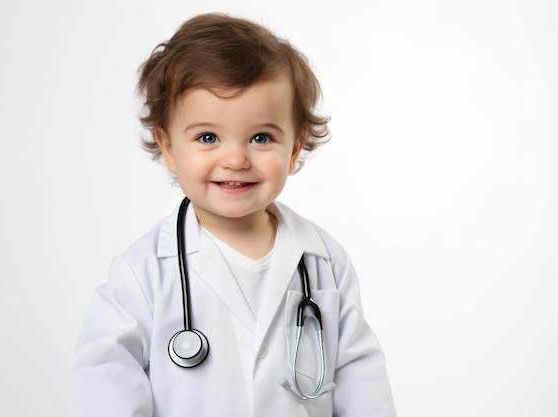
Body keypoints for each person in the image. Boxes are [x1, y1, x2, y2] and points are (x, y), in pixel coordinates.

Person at [72, 13, 396, 417]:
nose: (235, 158)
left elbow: (360, 377)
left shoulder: (325, 263)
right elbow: (106, 385)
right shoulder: (141, 274)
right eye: (207, 137)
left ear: (294, 149)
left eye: (261, 138)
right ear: (169, 147)